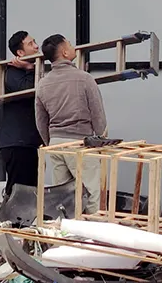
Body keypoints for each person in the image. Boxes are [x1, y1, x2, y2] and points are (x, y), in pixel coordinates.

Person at [34, 34, 108, 209]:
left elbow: (40, 120)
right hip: (79, 142)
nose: (73, 46)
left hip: (55, 144)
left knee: (62, 197)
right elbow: (98, 114)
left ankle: (65, 226)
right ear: (65, 52)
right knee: (91, 193)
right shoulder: (84, 78)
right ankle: (94, 226)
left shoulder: (43, 84)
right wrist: (101, 140)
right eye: (69, 44)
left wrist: (50, 142)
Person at [0, 31, 43, 197]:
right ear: (20, 53)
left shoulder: (34, 69)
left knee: (30, 192)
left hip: (29, 143)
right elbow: (27, 90)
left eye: (35, 42)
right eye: (31, 44)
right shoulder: (12, 71)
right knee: (18, 193)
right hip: (17, 143)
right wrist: (29, 69)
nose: (36, 46)